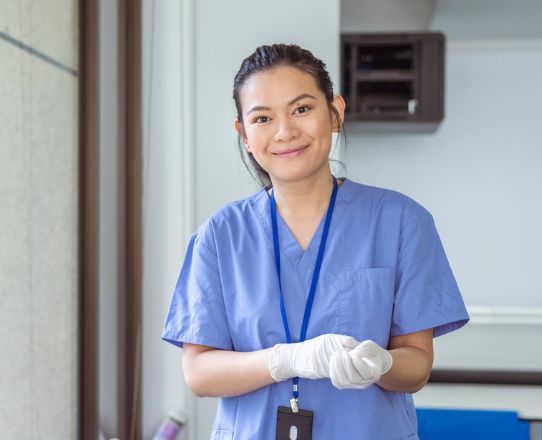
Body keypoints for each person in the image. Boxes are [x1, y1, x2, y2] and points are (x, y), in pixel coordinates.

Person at [160, 43, 469, 439]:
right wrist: (286, 360)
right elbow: (199, 373)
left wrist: (383, 364)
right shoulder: (219, 236)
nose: (285, 131)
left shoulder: (401, 222)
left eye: (302, 109)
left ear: (335, 112)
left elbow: (417, 365)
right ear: (244, 134)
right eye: (262, 118)